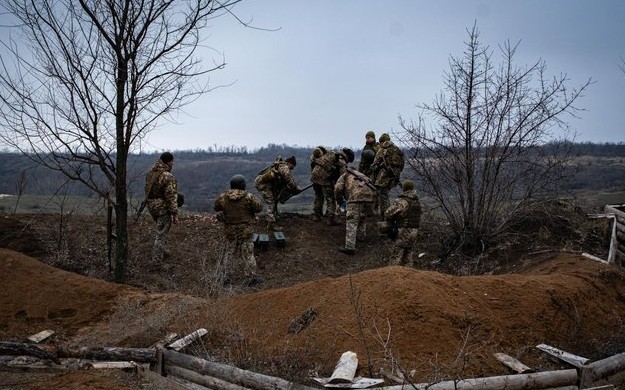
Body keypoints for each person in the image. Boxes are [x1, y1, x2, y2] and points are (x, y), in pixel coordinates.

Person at [214, 174, 264, 286]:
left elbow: (216, 207)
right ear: (243, 185)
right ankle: (250, 277)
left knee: (229, 253)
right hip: (245, 229)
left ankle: (225, 276)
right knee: (248, 253)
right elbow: (259, 208)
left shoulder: (223, 197)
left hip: (229, 229)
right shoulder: (249, 197)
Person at [334, 165, 377, 255]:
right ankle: (361, 236)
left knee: (352, 221)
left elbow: (338, 189)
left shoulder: (345, 176)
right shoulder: (362, 175)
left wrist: (340, 201)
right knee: (362, 217)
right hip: (370, 199)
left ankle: (350, 247)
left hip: (355, 198)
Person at [145, 151, 179, 264]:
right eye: (172, 161)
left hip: (151, 206)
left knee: (161, 229)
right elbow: (171, 196)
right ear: (168, 162)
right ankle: (157, 262)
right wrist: (174, 212)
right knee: (161, 234)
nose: (173, 164)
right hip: (162, 208)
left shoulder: (151, 172)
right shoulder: (167, 176)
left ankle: (162, 251)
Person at [254, 155, 302, 230]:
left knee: (274, 199)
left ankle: (274, 216)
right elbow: (289, 180)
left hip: (265, 183)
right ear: (290, 163)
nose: (292, 169)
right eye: (292, 167)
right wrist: (295, 188)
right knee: (271, 201)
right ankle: (271, 223)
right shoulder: (284, 168)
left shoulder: (280, 165)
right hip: (263, 184)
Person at [310, 146, 354, 225]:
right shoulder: (341, 162)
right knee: (330, 199)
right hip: (325, 180)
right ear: (348, 157)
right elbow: (342, 177)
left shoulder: (330, 154)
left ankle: (316, 216)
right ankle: (330, 219)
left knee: (318, 196)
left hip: (314, 177)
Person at [384, 179, 421, 267]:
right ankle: (408, 277)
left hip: (404, 231)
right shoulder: (417, 201)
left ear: (404, 189)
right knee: (408, 256)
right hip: (414, 231)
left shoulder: (403, 201)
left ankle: (392, 275)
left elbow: (388, 213)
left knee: (396, 255)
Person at [371, 133, 405, 218]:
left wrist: (374, 171)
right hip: (395, 176)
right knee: (386, 194)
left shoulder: (383, 150)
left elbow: (375, 164)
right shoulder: (397, 149)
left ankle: (385, 216)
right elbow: (402, 164)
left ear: (382, 141)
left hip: (384, 177)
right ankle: (389, 214)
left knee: (383, 195)